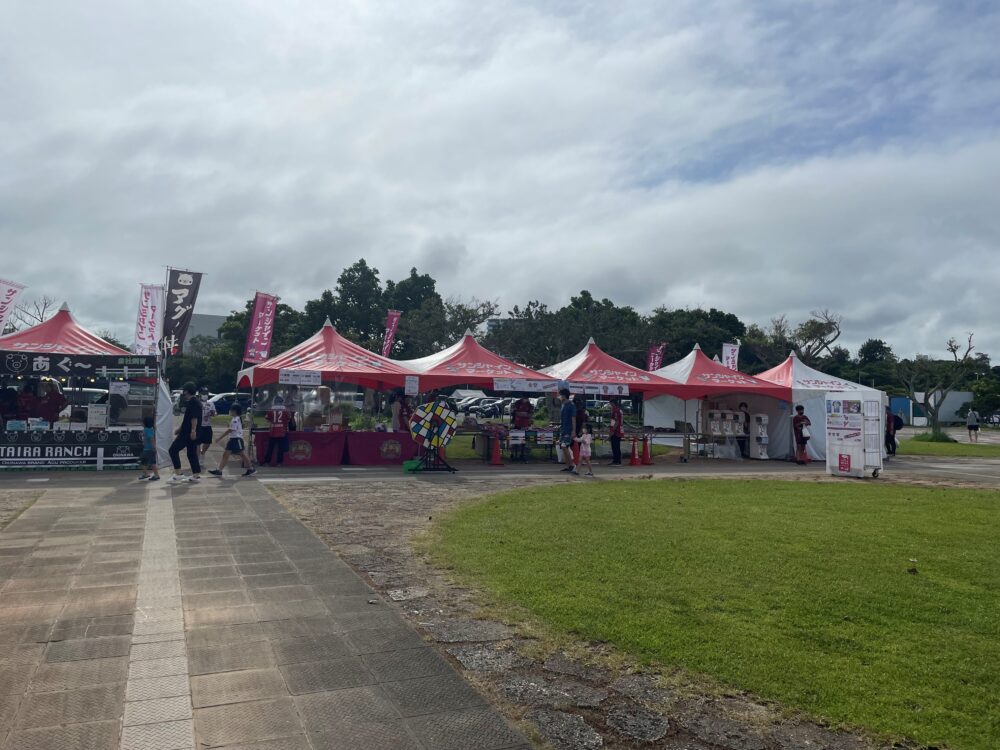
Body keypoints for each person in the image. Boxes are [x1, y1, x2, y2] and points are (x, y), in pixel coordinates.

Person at [209, 404, 256, 477]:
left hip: (236, 440)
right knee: (226, 455)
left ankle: (251, 468)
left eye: (231, 410)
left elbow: (230, 430)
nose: (229, 411)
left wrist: (219, 438)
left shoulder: (235, 419)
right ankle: (219, 470)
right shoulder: (235, 419)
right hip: (233, 440)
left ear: (234, 411)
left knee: (242, 454)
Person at [168, 382, 202, 482]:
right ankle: (196, 475)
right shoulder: (195, 401)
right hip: (187, 431)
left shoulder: (193, 402)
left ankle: (178, 474)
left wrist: (193, 431)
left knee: (173, 450)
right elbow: (189, 418)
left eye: (184, 391)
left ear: (186, 391)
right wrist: (180, 428)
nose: (183, 393)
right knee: (191, 453)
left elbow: (194, 418)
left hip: (187, 433)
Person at [264, 396, 291, 466]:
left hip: (273, 430)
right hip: (282, 431)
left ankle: (267, 462)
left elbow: (267, 418)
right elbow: (288, 418)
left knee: (270, 447)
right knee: (280, 448)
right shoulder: (285, 409)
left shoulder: (271, 409)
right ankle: (279, 462)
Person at [558, 388, 578, 475]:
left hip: (569, 430)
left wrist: (573, 430)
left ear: (564, 395)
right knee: (562, 447)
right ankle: (568, 465)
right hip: (563, 429)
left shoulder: (571, 405)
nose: (559, 397)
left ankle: (573, 465)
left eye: (560, 395)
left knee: (564, 446)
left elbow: (573, 419)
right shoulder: (563, 405)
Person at [511, 396, 533, 461]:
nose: (526, 400)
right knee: (515, 439)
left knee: (523, 440)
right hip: (517, 424)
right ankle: (513, 454)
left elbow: (530, 414)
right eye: (525, 399)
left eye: (527, 399)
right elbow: (515, 412)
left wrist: (528, 416)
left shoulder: (529, 404)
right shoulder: (517, 403)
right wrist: (523, 414)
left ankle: (522, 454)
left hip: (525, 424)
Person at [139, 416, 160, 481]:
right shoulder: (148, 429)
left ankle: (156, 475)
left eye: (143, 422)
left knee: (152, 463)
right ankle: (146, 474)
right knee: (143, 462)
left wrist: (153, 447)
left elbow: (152, 439)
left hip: (149, 449)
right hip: (146, 449)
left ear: (146, 423)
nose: (142, 423)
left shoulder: (148, 430)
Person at [197, 387, 217, 459]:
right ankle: (198, 459)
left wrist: (210, 414)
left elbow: (214, 413)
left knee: (208, 442)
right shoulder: (197, 402)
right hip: (199, 425)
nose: (205, 395)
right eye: (203, 393)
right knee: (198, 443)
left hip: (207, 426)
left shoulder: (210, 403)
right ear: (199, 394)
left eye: (206, 393)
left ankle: (202, 452)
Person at [607, 397, 624, 466]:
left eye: (610, 404)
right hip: (617, 430)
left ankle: (617, 461)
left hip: (616, 431)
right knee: (615, 446)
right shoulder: (618, 410)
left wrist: (613, 430)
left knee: (615, 446)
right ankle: (616, 460)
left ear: (613, 403)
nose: (610, 405)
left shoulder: (616, 410)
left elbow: (617, 421)